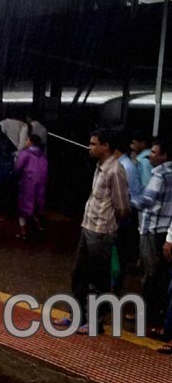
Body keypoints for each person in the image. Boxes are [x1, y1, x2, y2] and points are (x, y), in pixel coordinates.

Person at [55, 129, 130, 334]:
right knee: (79, 274)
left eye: (94, 143)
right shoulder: (99, 167)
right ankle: (77, 316)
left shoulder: (115, 170)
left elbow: (123, 205)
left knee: (98, 278)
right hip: (88, 226)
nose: (90, 147)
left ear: (106, 146)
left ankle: (95, 322)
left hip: (102, 231)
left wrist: (110, 221)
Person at [131, 137, 172, 335]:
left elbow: (146, 201)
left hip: (154, 230)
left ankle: (148, 316)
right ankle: (153, 313)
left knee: (150, 275)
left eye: (154, 152)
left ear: (164, 156)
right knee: (158, 275)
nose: (150, 156)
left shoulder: (160, 175)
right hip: (164, 230)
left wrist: (125, 198)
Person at [113, 132, 143, 294]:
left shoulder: (126, 167)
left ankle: (113, 289)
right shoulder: (120, 164)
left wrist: (120, 207)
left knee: (118, 256)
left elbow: (136, 196)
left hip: (123, 219)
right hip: (118, 218)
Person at [14, 134, 48, 240]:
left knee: (23, 209)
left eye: (26, 139)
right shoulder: (43, 155)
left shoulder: (25, 154)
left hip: (27, 184)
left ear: (30, 141)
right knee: (36, 208)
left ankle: (24, 233)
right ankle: (38, 227)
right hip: (40, 185)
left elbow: (18, 168)